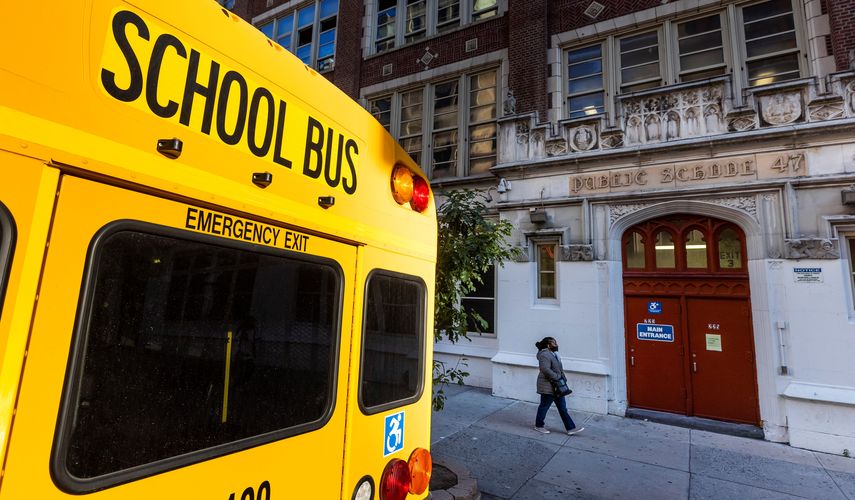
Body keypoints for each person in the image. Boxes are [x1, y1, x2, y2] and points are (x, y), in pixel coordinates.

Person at [534, 336, 584, 435]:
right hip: (547, 385)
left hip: (557, 386)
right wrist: (557, 377)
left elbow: (559, 369)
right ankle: (539, 426)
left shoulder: (554, 354)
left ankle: (570, 428)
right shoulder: (544, 355)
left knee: (562, 408)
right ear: (548, 345)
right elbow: (545, 369)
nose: (556, 345)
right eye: (554, 343)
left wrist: (563, 378)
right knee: (544, 407)